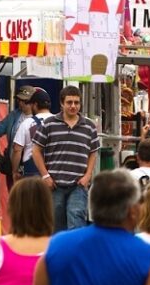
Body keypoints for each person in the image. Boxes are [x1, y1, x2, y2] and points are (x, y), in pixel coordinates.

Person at [31, 85, 100, 232]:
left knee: (76, 223)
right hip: (54, 184)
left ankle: (76, 255)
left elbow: (93, 152)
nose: (73, 106)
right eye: (69, 102)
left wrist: (87, 176)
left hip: (78, 185)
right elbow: (36, 150)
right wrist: (45, 176)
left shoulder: (89, 126)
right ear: (62, 104)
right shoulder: (49, 124)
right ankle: (59, 254)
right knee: (56, 228)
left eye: (76, 102)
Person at [0, 85, 36, 189]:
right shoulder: (13, 115)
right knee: (14, 195)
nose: (20, 103)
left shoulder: (40, 117)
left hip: (33, 165)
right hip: (14, 163)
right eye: (19, 100)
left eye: (24, 100)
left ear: (33, 102)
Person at [11, 88, 52, 179]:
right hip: (53, 172)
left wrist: (14, 171)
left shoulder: (27, 123)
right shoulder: (58, 122)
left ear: (35, 105)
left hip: (31, 172)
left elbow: (17, 149)